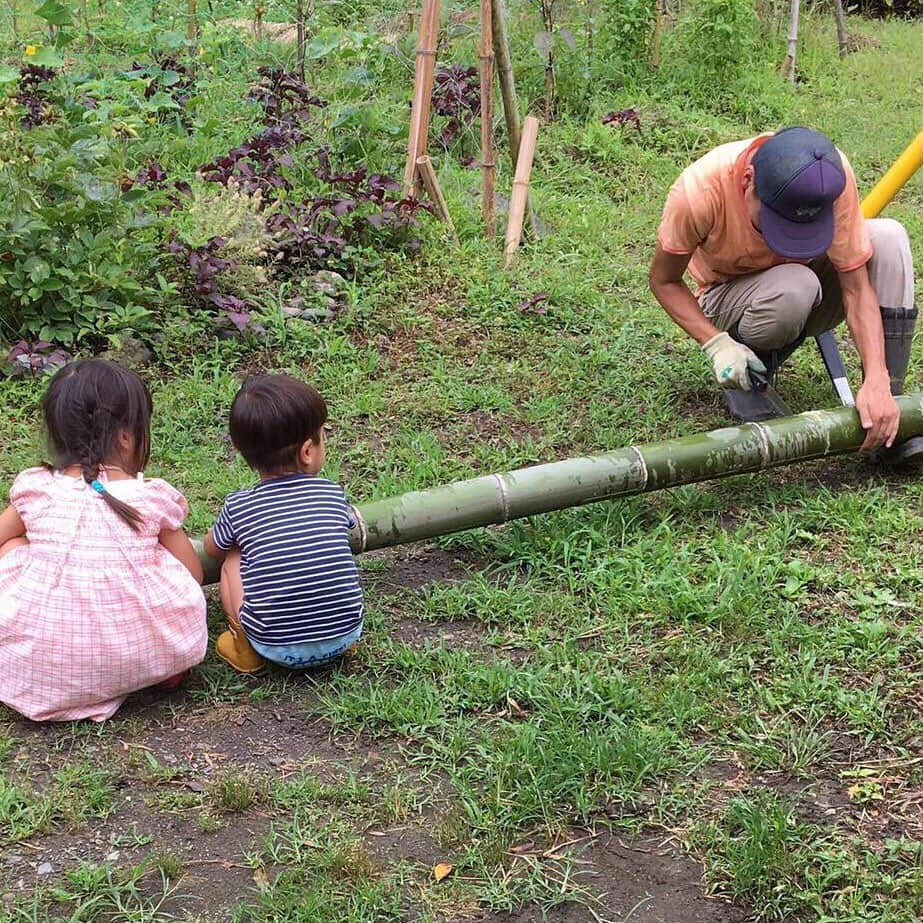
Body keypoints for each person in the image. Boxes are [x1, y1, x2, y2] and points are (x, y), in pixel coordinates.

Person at [649, 125, 920, 461]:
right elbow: (664, 280)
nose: (788, 238)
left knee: (889, 238)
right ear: (748, 180)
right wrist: (716, 343)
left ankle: (889, 413)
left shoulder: (829, 176)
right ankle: (749, 376)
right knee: (795, 284)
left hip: (809, 291)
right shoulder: (700, 191)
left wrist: (876, 377)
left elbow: (855, 285)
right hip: (728, 298)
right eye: (777, 223)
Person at [0, 360, 207, 722]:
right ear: (126, 437)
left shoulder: (37, 489)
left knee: (11, 547)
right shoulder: (150, 498)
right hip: (137, 657)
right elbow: (193, 574)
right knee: (157, 560)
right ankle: (157, 663)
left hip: (36, 662)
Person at [204, 374, 364, 674]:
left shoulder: (240, 506)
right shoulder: (332, 493)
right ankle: (336, 634)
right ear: (307, 451)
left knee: (232, 557)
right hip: (347, 634)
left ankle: (245, 647)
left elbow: (213, 549)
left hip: (275, 646)